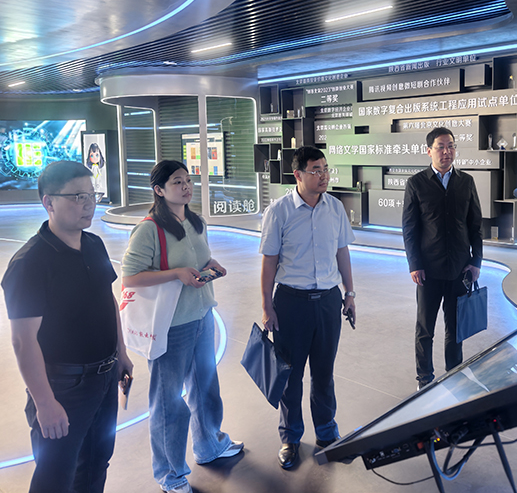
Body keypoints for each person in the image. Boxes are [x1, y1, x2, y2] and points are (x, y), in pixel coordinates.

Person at [2, 160, 134, 493]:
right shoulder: (29, 263)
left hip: (105, 378)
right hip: (64, 386)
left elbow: (107, 300)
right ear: (48, 202)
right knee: (55, 477)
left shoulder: (94, 244)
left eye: (91, 195)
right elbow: (23, 341)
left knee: (96, 464)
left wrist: (120, 352)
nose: (88, 204)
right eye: (77, 197)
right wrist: (45, 402)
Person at [121, 160, 242, 493]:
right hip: (171, 326)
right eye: (177, 182)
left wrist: (210, 266)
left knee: (206, 387)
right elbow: (130, 277)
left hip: (201, 316)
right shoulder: (149, 229)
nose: (186, 187)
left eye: (188, 180)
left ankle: (210, 445)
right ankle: (170, 473)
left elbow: (198, 260)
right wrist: (175, 274)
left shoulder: (195, 221)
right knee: (168, 401)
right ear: (159, 190)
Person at [260, 146, 356, 470]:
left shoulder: (335, 208)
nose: (323, 175)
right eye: (316, 170)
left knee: (324, 373)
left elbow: (342, 252)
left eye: (326, 169)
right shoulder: (279, 211)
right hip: (291, 304)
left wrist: (349, 294)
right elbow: (269, 261)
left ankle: (327, 434)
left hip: (328, 301)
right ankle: (290, 438)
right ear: (298, 175)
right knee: (290, 375)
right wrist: (266, 306)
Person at [402, 127, 483, 391]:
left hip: (459, 268)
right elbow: (409, 228)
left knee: (456, 328)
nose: (447, 152)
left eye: (451, 146)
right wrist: (414, 264)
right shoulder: (416, 183)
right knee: (425, 328)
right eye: (440, 147)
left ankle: (454, 373)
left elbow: (475, 225)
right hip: (428, 270)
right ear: (429, 151)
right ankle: (424, 378)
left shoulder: (466, 182)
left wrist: (476, 261)